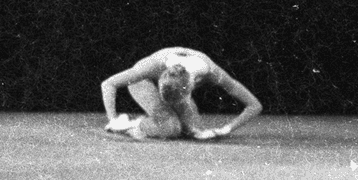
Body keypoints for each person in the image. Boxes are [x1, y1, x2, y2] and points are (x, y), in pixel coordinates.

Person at [100, 47, 263, 141]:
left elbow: (254, 105)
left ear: (191, 86)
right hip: (144, 84)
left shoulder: (213, 73)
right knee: (171, 128)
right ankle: (130, 125)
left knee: (194, 131)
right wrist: (112, 120)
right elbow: (108, 84)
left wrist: (224, 130)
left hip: (178, 89)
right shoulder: (153, 66)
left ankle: (143, 124)